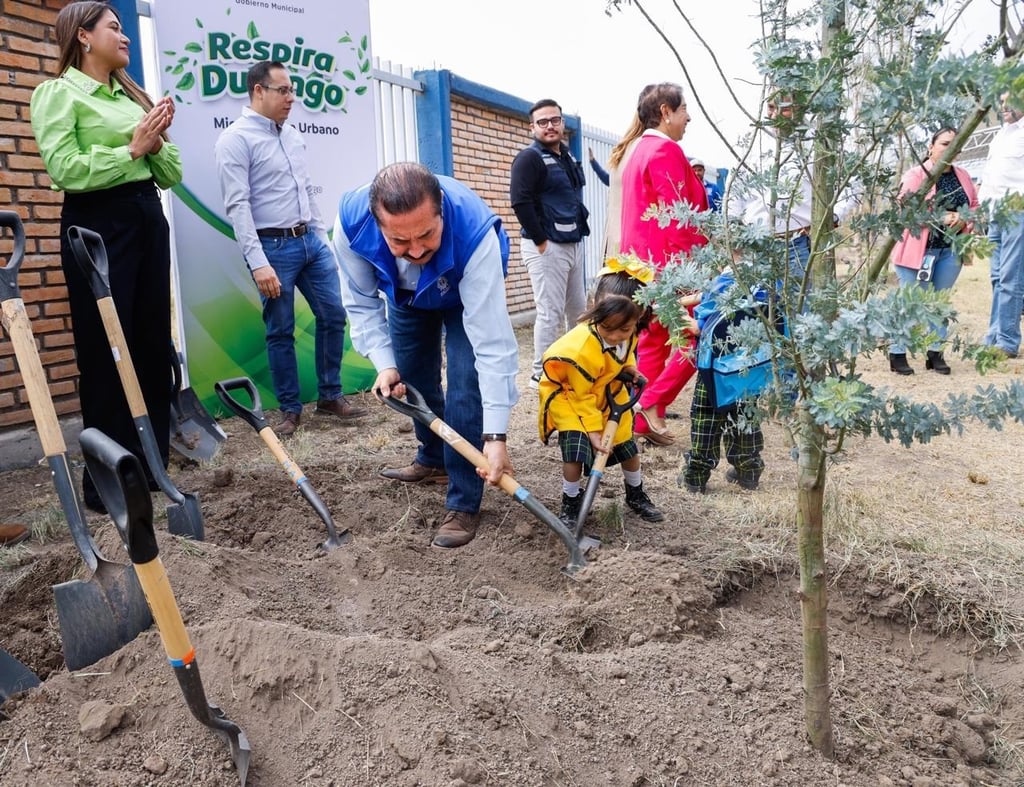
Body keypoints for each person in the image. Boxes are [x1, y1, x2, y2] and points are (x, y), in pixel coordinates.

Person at [30, 1, 181, 513]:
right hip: (97, 224)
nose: (126, 37)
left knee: (149, 345)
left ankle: (153, 466)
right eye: (115, 28)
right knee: (106, 351)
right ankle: (109, 481)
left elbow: (173, 173)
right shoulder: (58, 93)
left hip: (145, 216)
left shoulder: (132, 97)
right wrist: (133, 150)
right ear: (84, 37)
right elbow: (66, 170)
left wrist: (154, 140)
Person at [333, 162, 519, 550]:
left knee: (466, 385)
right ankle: (433, 459)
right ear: (377, 223)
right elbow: (361, 304)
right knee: (411, 373)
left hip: (463, 289)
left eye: (426, 235)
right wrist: (385, 364)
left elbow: (492, 344)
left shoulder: (473, 232)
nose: (415, 250)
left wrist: (496, 435)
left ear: (441, 212)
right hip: (407, 297)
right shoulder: (350, 225)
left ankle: (464, 499)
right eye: (400, 241)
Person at [214, 60, 366, 437]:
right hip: (272, 248)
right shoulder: (236, 139)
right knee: (280, 330)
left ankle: (330, 396)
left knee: (333, 315)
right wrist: (258, 263)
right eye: (283, 90)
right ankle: (289, 410)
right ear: (258, 91)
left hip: (309, 242)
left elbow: (305, 190)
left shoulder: (293, 135)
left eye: (292, 90)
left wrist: (322, 239)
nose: (291, 98)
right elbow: (238, 206)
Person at [539, 262, 664, 526]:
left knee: (627, 446)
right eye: (607, 327)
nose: (615, 335)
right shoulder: (581, 348)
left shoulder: (629, 335)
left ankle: (635, 493)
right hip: (572, 399)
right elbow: (580, 395)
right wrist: (594, 432)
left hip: (606, 392)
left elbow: (625, 354)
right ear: (596, 307)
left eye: (624, 329)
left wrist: (629, 368)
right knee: (575, 449)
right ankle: (571, 502)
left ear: (638, 319)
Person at [619, 83, 709, 445]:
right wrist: (699, 266)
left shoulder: (637, 151)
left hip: (641, 264)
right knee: (699, 335)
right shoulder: (665, 151)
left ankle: (644, 420)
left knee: (654, 341)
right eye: (684, 108)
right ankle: (650, 403)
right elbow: (678, 216)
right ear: (665, 112)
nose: (689, 116)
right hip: (672, 264)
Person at [509, 99, 590, 389]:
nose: (549, 126)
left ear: (562, 123)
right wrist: (541, 241)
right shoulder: (529, 158)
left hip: (572, 243)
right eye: (542, 122)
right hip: (546, 247)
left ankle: (572, 363)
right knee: (549, 312)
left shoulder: (566, 157)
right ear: (532, 128)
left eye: (554, 120)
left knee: (578, 311)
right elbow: (520, 201)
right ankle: (540, 372)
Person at [889, 127, 979, 375]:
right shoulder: (917, 175)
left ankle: (935, 353)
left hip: (950, 251)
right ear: (931, 146)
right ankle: (897, 352)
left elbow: (975, 206)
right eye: (945, 143)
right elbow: (905, 211)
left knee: (940, 304)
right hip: (918, 253)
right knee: (912, 304)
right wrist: (942, 217)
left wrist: (964, 219)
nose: (951, 148)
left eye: (956, 144)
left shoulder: (963, 175)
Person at [679, 269, 768, 494]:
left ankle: (696, 476)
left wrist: (675, 312)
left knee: (706, 419)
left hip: (715, 367)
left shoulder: (721, 282)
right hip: (750, 364)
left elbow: (698, 328)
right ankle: (748, 471)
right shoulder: (765, 278)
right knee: (745, 413)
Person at [979, 91, 1024, 359]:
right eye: (1002, 101)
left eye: (1012, 101)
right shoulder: (1000, 134)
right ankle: (994, 334)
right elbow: (990, 175)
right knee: (996, 277)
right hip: (993, 212)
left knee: (1010, 277)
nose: (1004, 106)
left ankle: (1007, 341)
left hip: (1017, 211)